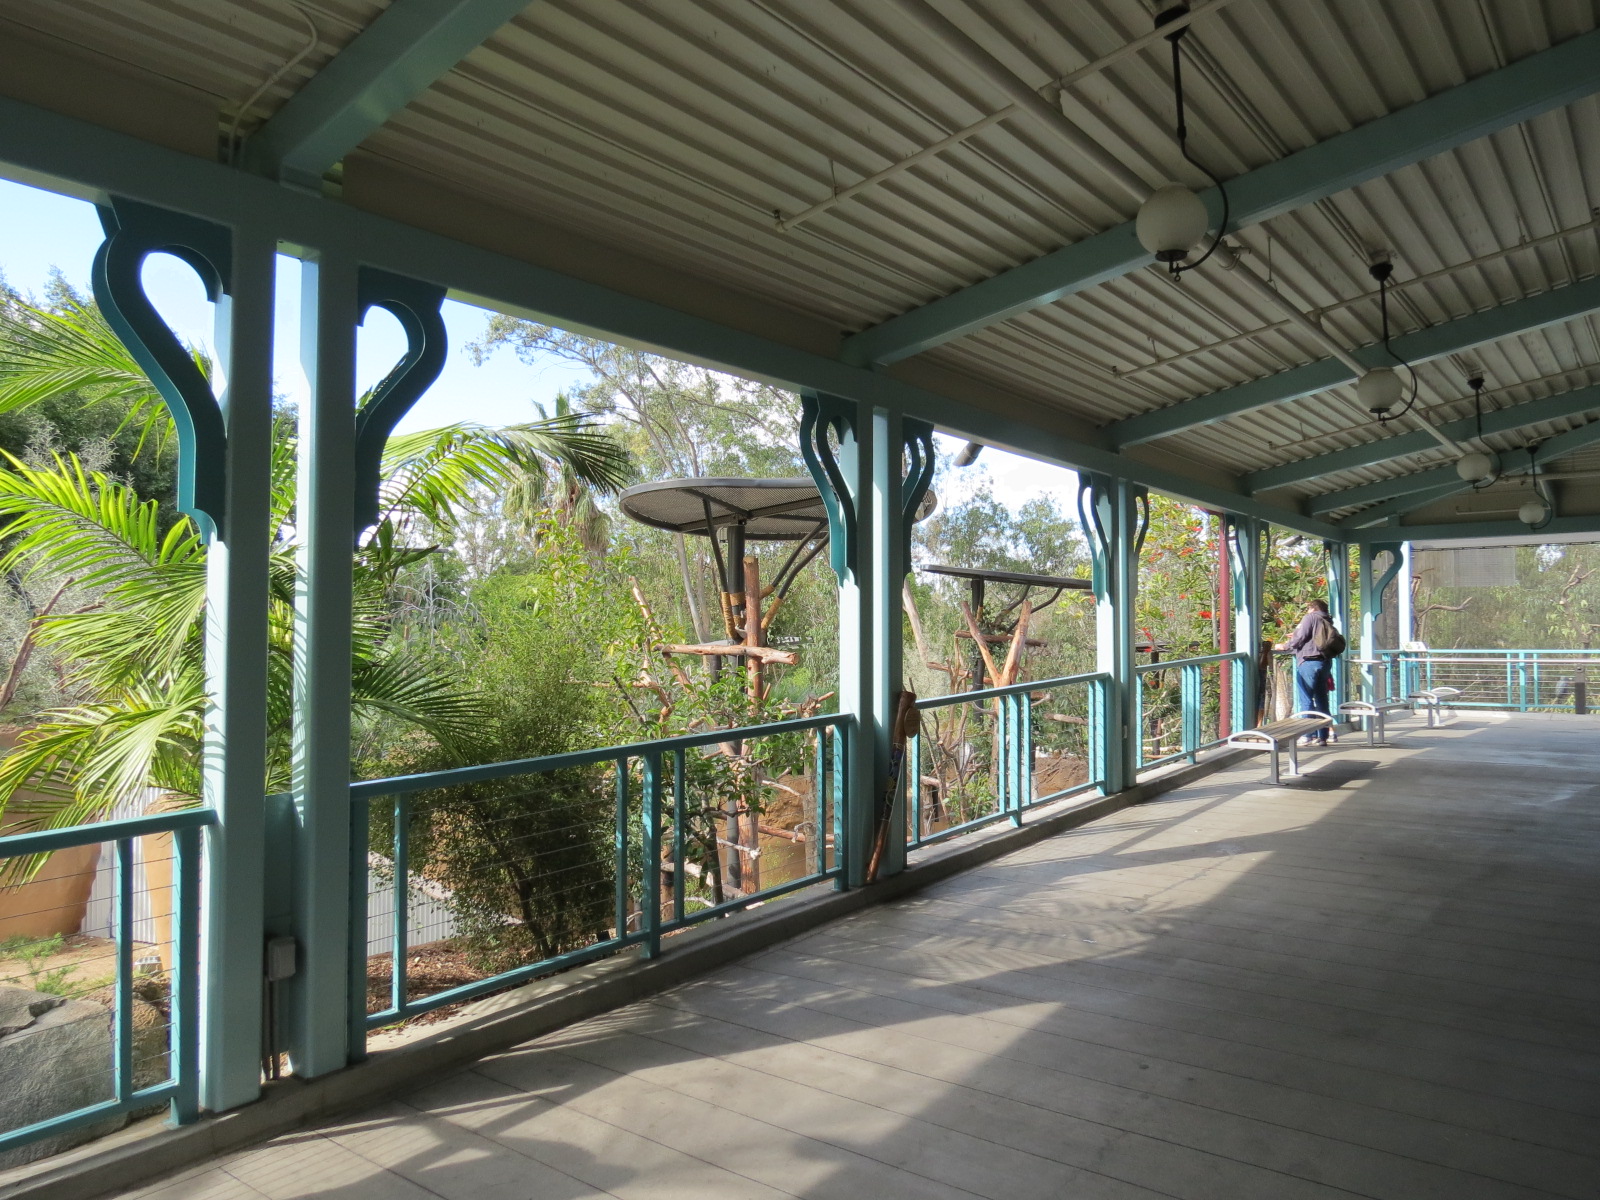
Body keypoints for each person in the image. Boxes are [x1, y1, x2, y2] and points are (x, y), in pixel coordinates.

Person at [1285, 599, 1335, 745]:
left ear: (1312, 608)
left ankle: (1307, 735)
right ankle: (1323, 736)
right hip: (1324, 662)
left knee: (1306, 699)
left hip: (1308, 661)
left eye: (1307, 608)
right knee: (1321, 699)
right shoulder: (1327, 619)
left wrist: (1286, 645)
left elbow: (1300, 637)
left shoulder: (1310, 617)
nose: (1306, 611)